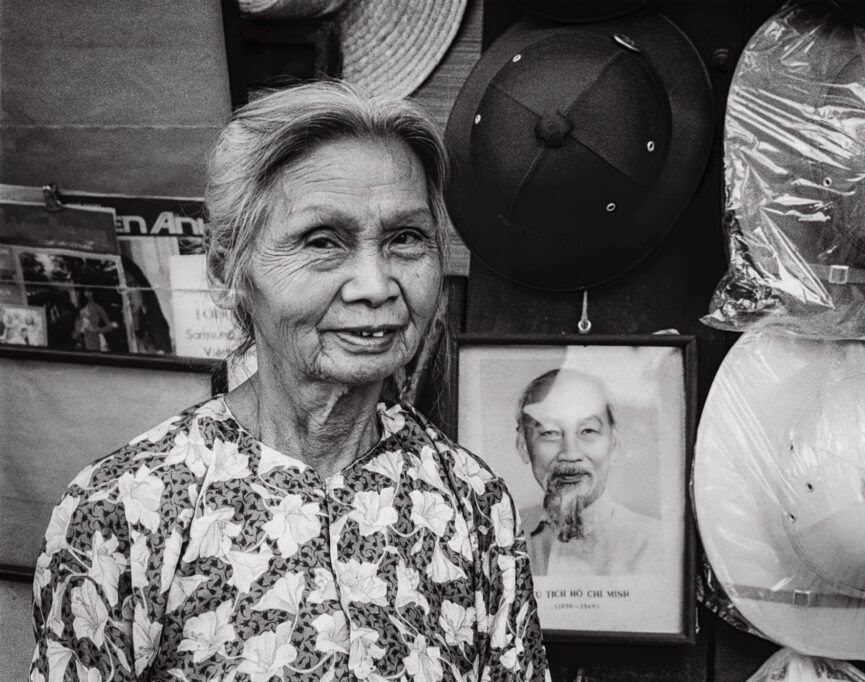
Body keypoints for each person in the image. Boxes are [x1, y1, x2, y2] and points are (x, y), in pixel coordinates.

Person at [30, 80, 548, 681]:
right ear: (229, 270)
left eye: (406, 239)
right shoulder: (126, 508)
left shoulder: (472, 501)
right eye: (323, 242)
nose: (375, 286)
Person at [516, 368, 663, 576]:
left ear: (614, 443)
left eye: (587, 431)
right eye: (550, 433)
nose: (570, 453)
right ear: (523, 446)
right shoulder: (503, 536)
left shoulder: (654, 544)